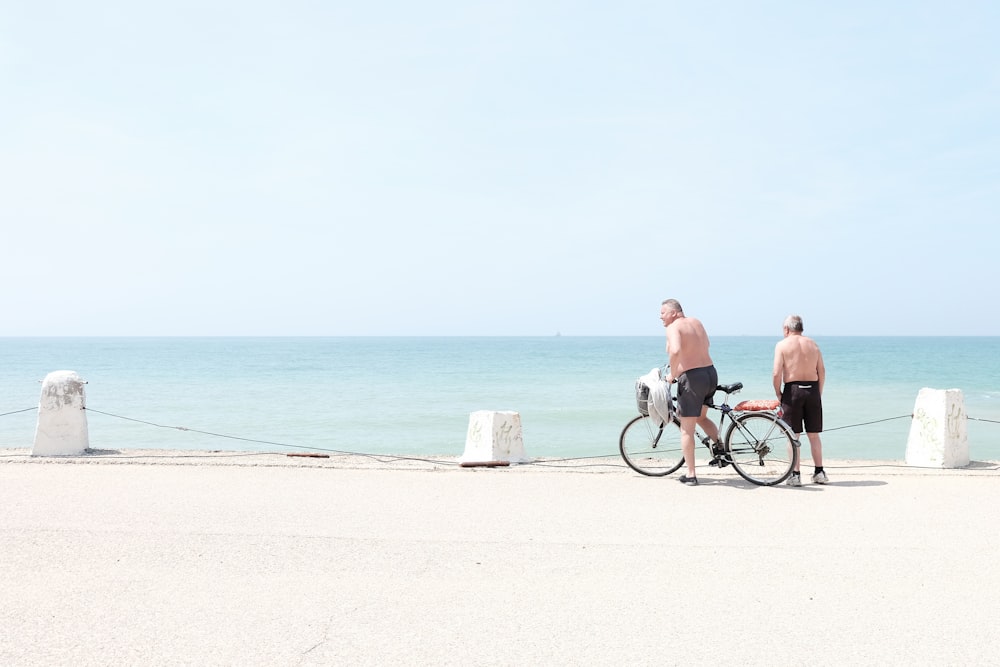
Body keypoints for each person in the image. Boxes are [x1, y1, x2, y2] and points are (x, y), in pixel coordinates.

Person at [660, 299, 721, 487]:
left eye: (663, 313)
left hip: (693, 378)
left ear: (674, 312)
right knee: (701, 417)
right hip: (710, 373)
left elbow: (676, 350)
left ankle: (691, 474)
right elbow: (707, 344)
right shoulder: (696, 321)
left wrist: (672, 373)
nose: (660, 317)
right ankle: (721, 450)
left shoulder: (673, 327)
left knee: (687, 429)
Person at [772, 315, 827, 486]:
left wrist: (778, 393)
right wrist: (818, 392)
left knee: (792, 435)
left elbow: (776, 373)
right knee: (814, 435)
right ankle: (819, 472)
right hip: (812, 390)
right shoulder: (813, 344)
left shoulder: (782, 345)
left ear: (787, 329)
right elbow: (822, 371)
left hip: (793, 391)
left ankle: (795, 475)